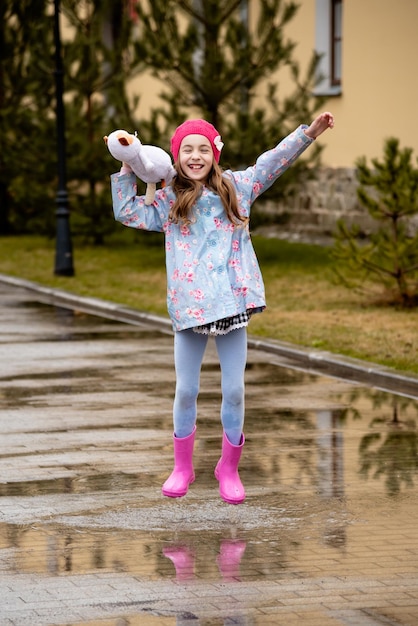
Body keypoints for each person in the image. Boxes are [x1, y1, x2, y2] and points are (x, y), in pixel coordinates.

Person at [110, 112, 334, 505]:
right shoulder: (168, 201)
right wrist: (130, 164)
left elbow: (272, 161)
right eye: (186, 150)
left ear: (214, 153)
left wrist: (307, 134)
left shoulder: (238, 187)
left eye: (202, 149)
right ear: (176, 157)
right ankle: (183, 467)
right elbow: (127, 211)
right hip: (189, 312)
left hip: (233, 306)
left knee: (234, 390)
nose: (195, 157)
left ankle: (228, 468)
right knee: (187, 390)